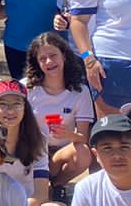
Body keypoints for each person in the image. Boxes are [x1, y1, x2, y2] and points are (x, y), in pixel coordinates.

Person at [0, 80, 69, 206]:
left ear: (25, 107)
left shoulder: (38, 140)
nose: (10, 111)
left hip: (26, 205)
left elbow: (41, 194)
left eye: (16, 104)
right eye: (2, 104)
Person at [22, 32, 95, 187]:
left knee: (83, 153)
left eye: (53, 55)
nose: (49, 62)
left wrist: (68, 134)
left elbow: (83, 137)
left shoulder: (80, 91)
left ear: (64, 56)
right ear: (37, 63)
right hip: (34, 149)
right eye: (42, 58)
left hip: (63, 150)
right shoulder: (27, 88)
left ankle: (56, 186)